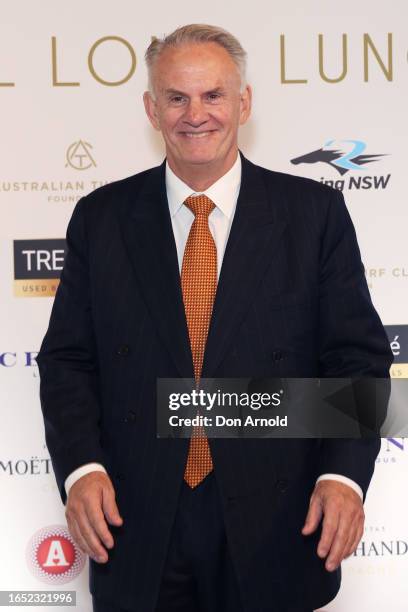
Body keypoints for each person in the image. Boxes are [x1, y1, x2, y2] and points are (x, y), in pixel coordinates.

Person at [37, 24, 393, 612]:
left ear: (244, 103)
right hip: (136, 516)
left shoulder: (314, 214)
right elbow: (68, 360)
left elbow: (357, 358)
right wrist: (81, 469)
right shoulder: (100, 219)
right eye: (176, 97)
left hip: (281, 516)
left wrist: (343, 477)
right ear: (152, 110)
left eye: (212, 95)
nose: (194, 114)